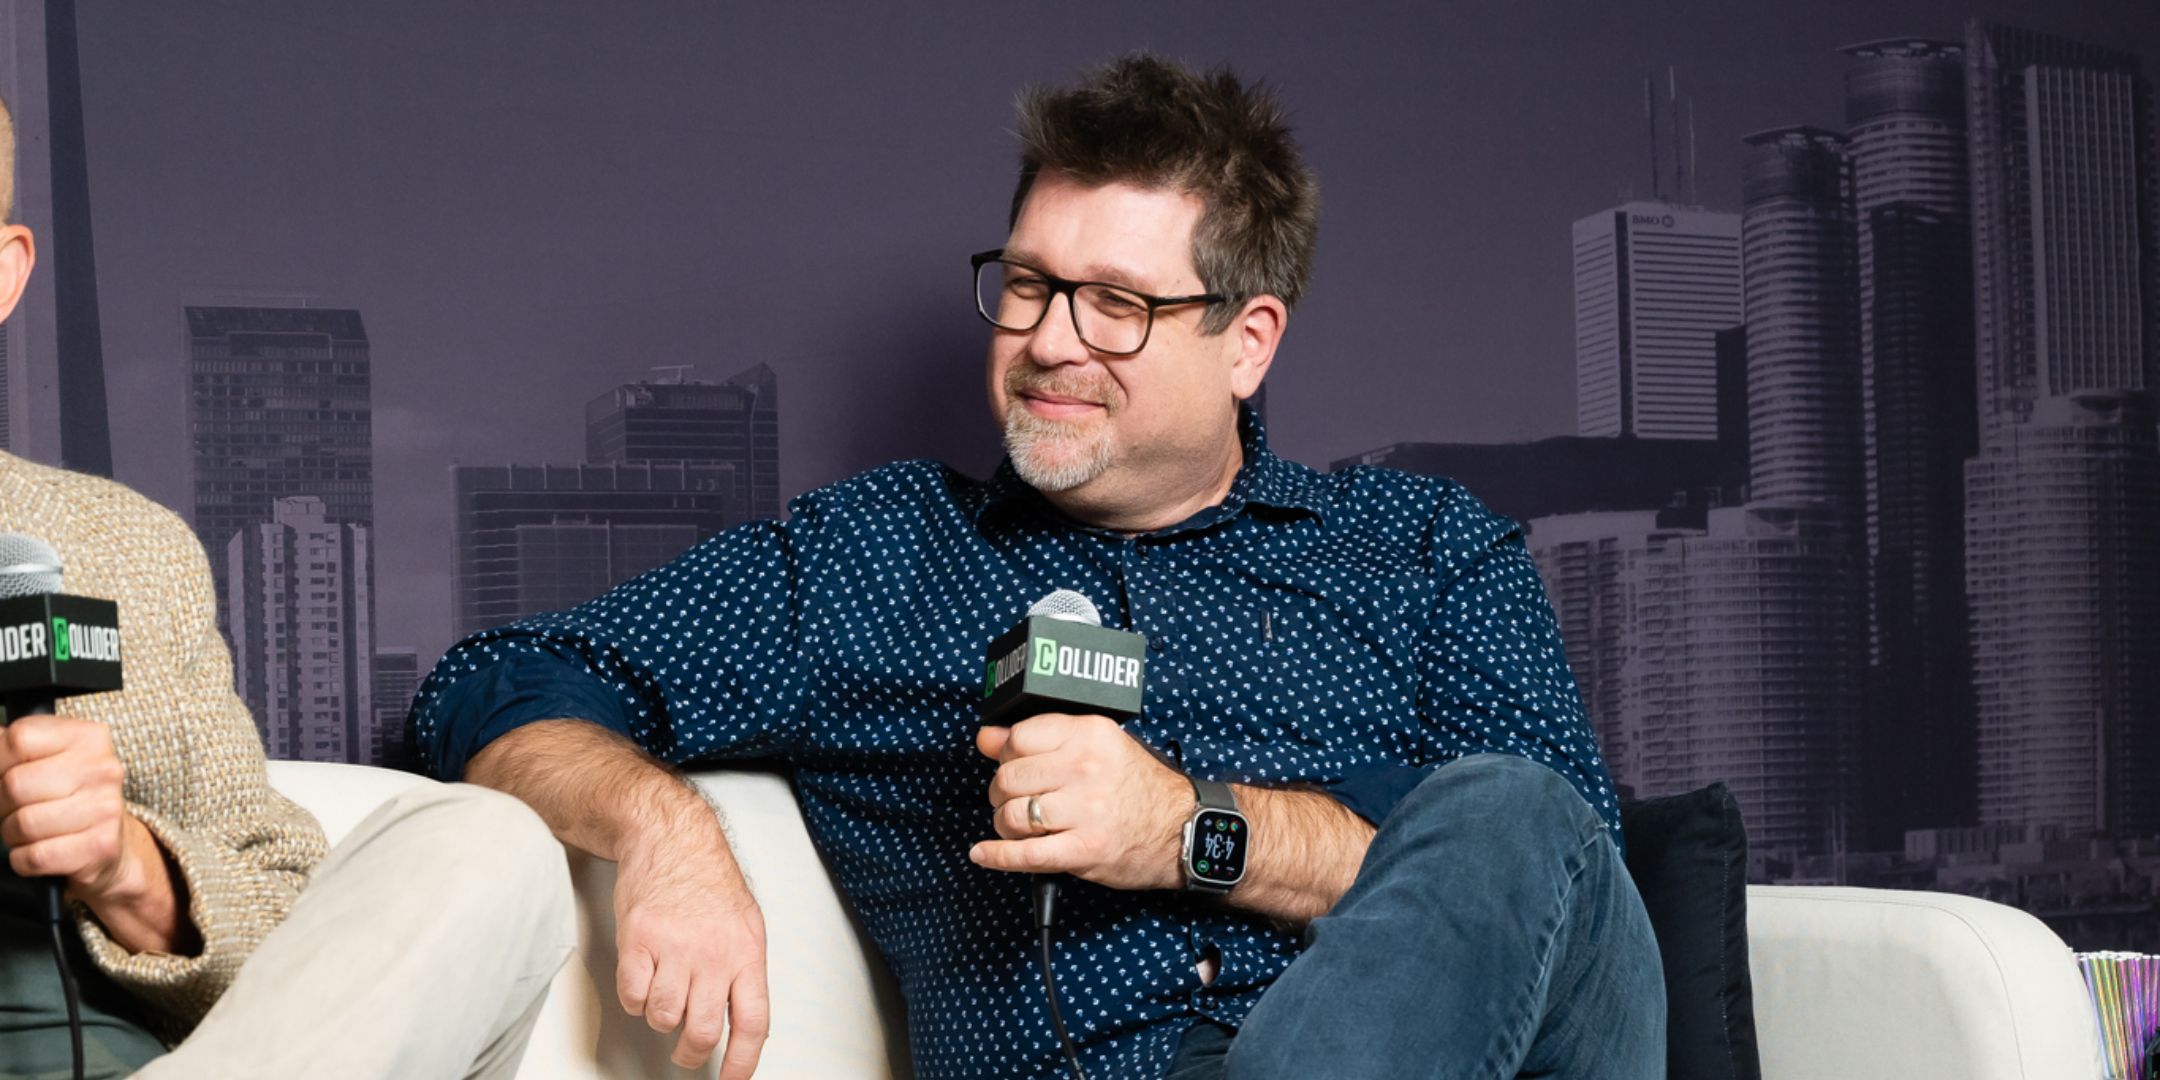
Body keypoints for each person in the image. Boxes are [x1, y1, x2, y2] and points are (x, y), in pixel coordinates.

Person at [413, 54, 1664, 1080]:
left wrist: (1186, 830)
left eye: (1116, 303)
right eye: (1027, 284)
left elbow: (1564, 872)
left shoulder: (1423, 550)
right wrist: (662, 827)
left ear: (1248, 342)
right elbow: (497, 680)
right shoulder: (882, 558)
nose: (1052, 341)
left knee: (1506, 806)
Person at [0, 97, 576, 1079]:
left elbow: (285, 914)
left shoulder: (129, 550)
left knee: (490, 845)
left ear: (4, 273)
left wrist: (128, 868)